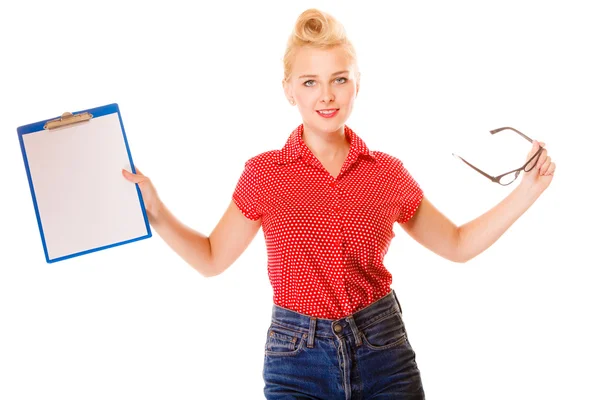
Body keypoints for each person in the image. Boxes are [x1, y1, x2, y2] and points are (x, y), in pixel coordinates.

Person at [122, 8, 555, 400]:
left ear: (357, 84)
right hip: (297, 360)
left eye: (339, 79)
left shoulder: (386, 173)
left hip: (383, 351)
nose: (326, 95)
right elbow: (212, 258)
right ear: (289, 90)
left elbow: (458, 244)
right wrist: (157, 212)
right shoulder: (265, 174)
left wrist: (528, 190)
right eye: (310, 82)